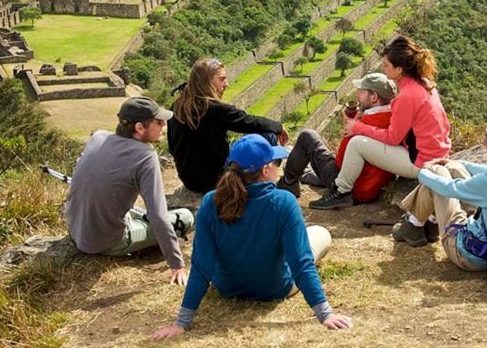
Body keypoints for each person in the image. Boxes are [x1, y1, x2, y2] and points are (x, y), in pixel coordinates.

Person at [151, 134, 353, 340]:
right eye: (276, 163)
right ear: (266, 170)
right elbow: (301, 264)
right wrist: (325, 314)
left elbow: (201, 266)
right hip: (275, 288)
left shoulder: (212, 201)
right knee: (320, 233)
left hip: (227, 287)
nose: (278, 167)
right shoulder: (284, 201)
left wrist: (182, 322)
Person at [309, 36, 451, 244]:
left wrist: (359, 127)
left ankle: (341, 191)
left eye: (386, 65)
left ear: (399, 69)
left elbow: (393, 138)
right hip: (438, 154)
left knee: (358, 143)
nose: (383, 68)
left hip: (420, 162)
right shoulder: (427, 85)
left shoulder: (406, 95)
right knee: (363, 139)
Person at [65, 96, 194, 285]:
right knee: (186, 217)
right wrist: (177, 264)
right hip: (107, 242)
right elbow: (158, 216)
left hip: (76, 230)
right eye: (158, 122)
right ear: (140, 128)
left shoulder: (98, 136)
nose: (164, 126)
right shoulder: (145, 156)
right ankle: (141, 247)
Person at [400, 111, 487, 271]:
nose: (484, 142)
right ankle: (417, 224)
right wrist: (456, 163)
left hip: (470, 255)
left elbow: (448, 188)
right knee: (452, 167)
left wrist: (421, 172)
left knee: (436, 173)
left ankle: (413, 224)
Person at [168, 57, 289, 194]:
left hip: (190, 181)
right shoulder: (216, 109)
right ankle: (259, 184)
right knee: (268, 136)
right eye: (222, 79)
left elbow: (172, 148)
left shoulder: (177, 105)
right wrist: (279, 127)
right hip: (215, 180)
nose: (227, 84)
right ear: (207, 81)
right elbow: (250, 122)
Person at [278, 72, 397, 203]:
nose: (357, 95)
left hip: (352, 188)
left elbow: (340, 163)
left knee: (308, 136)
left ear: (374, 97)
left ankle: (288, 183)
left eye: (362, 91)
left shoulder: (363, 126)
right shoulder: (396, 120)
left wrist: (349, 128)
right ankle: (307, 175)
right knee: (320, 163)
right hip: (375, 185)